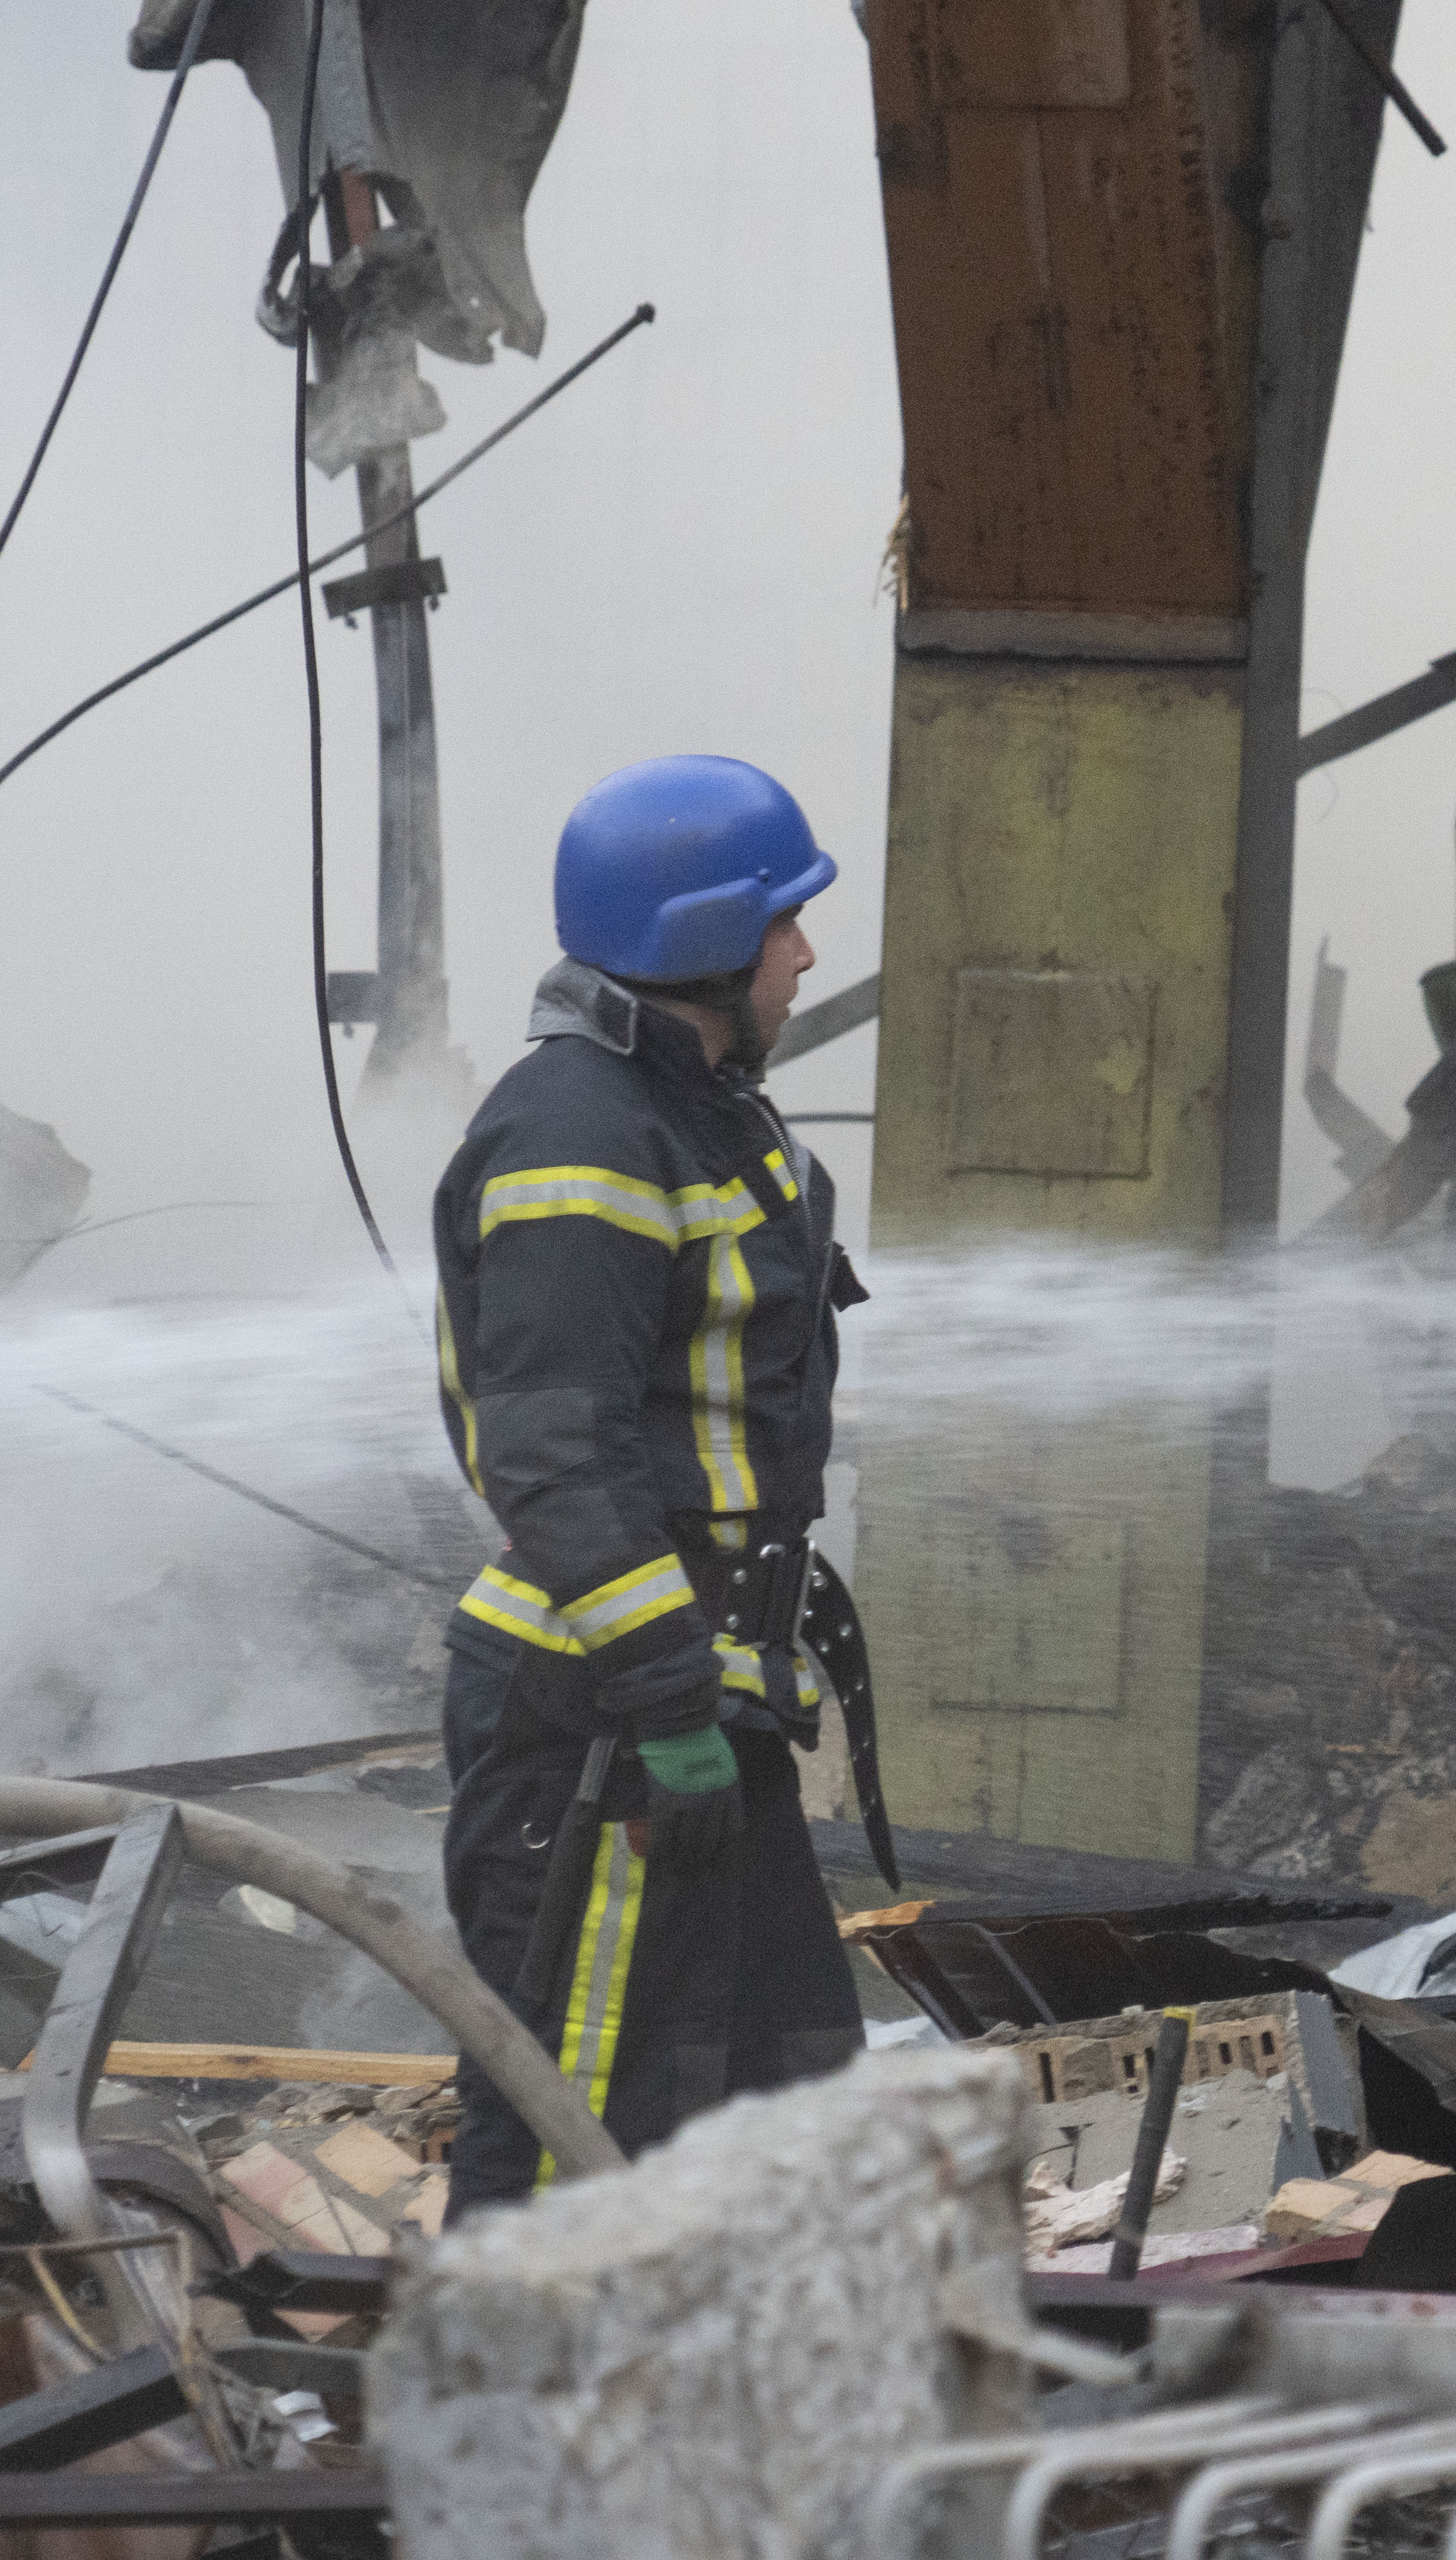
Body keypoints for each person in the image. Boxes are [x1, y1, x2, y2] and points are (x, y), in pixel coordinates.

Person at [433, 755, 865, 2206]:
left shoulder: (696, 1113)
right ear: (706, 939)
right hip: (605, 1723)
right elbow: (553, 1457)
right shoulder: (583, 1134)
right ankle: (516, 2357)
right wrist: (670, 1702)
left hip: (695, 1708)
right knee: (577, 2138)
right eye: (783, 920)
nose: (805, 954)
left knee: (786, 2094)